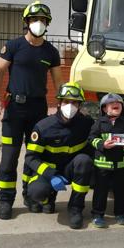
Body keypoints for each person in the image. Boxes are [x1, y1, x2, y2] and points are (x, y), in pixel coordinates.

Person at [0, 0, 63, 220]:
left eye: (42, 20)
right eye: (34, 19)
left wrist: (63, 104)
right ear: (26, 22)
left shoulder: (51, 52)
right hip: (14, 110)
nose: (38, 23)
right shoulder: (13, 46)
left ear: (47, 23)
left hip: (38, 109)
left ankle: (30, 196)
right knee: (9, 158)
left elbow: (58, 81)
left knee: (34, 156)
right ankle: (6, 200)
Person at [24, 82, 94, 229]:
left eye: (74, 102)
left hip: (71, 169)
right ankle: (47, 198)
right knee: (37, 192)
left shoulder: (86, 124)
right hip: (48, 172)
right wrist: (51, 175)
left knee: (84, 161)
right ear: (59, 103)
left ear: (80, 105)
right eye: (66, 102)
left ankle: (75, 208)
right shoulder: (43, 127)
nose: (70, 106)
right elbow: (30, 158)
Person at [88, 93, 124, 228]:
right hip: (102, 165)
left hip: (121, 165)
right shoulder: (99, 122)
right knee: (100, 191)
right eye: (111, 104)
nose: (115, 104)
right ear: (104, 109)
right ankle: (97, 215)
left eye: (118, 103)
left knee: (121, 191)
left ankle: (121, 214)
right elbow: (91, 139)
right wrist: (102, 144)